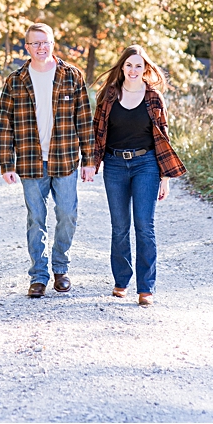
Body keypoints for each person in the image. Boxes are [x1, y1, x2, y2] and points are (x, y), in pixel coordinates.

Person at [0, 22, 94, 297]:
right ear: (27, 47)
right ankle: (38, 276)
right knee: (36, 219)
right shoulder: (15, 81)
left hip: (65, 161)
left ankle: (61, 269)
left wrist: (89, 160)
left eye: (45, 42)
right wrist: (7, 164)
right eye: (35, 43)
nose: (41, 47)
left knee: (67, 215)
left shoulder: (71, 76)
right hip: (29, 161)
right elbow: (4, 125)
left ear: (53, 43)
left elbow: (84, 121)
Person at [88, 44, 187, 306]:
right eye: (129, 65)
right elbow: (97, 132)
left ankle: (146, 287)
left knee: (145, 226)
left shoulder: (153, 97)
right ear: (122, 66)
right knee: (120, 227)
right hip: (115, 164)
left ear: (146, 69)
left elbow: (163, 137)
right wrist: (91, 164)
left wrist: (164, 178)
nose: (133, 70)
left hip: (146, 164)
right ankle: (121, 281)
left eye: (138, 66)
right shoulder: (109, 95)